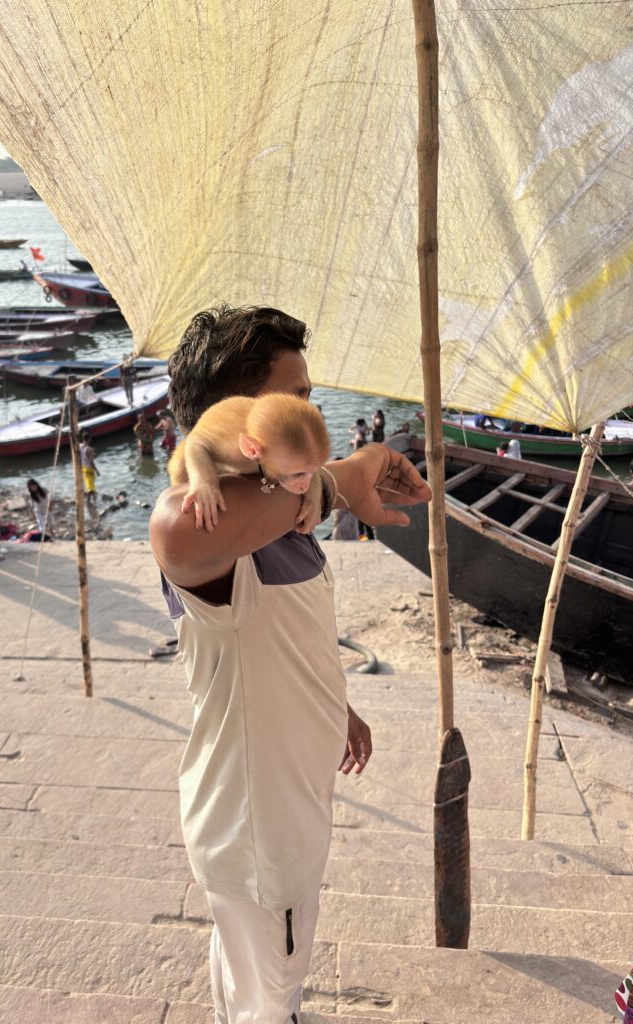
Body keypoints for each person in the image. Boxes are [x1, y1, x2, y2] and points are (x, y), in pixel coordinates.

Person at [150, 304, 431, 1022]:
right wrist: (348, 473)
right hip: (258, 832)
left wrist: (334, 705)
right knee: (271, 995)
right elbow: (174, 535)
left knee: (251, 979)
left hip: (281, 805)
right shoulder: (198, 520)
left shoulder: (284, 516)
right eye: (295, 398)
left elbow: (285, 632)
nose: (312, 411)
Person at [80, 430, 99, 510]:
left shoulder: (80, 446)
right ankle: (89, 502)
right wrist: (97, 471)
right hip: (89, 469)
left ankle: (93, 500)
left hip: (83, 468)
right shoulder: (89, 449)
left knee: (89, 484)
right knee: (91, 487)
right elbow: (91, 462)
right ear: (89, 439)